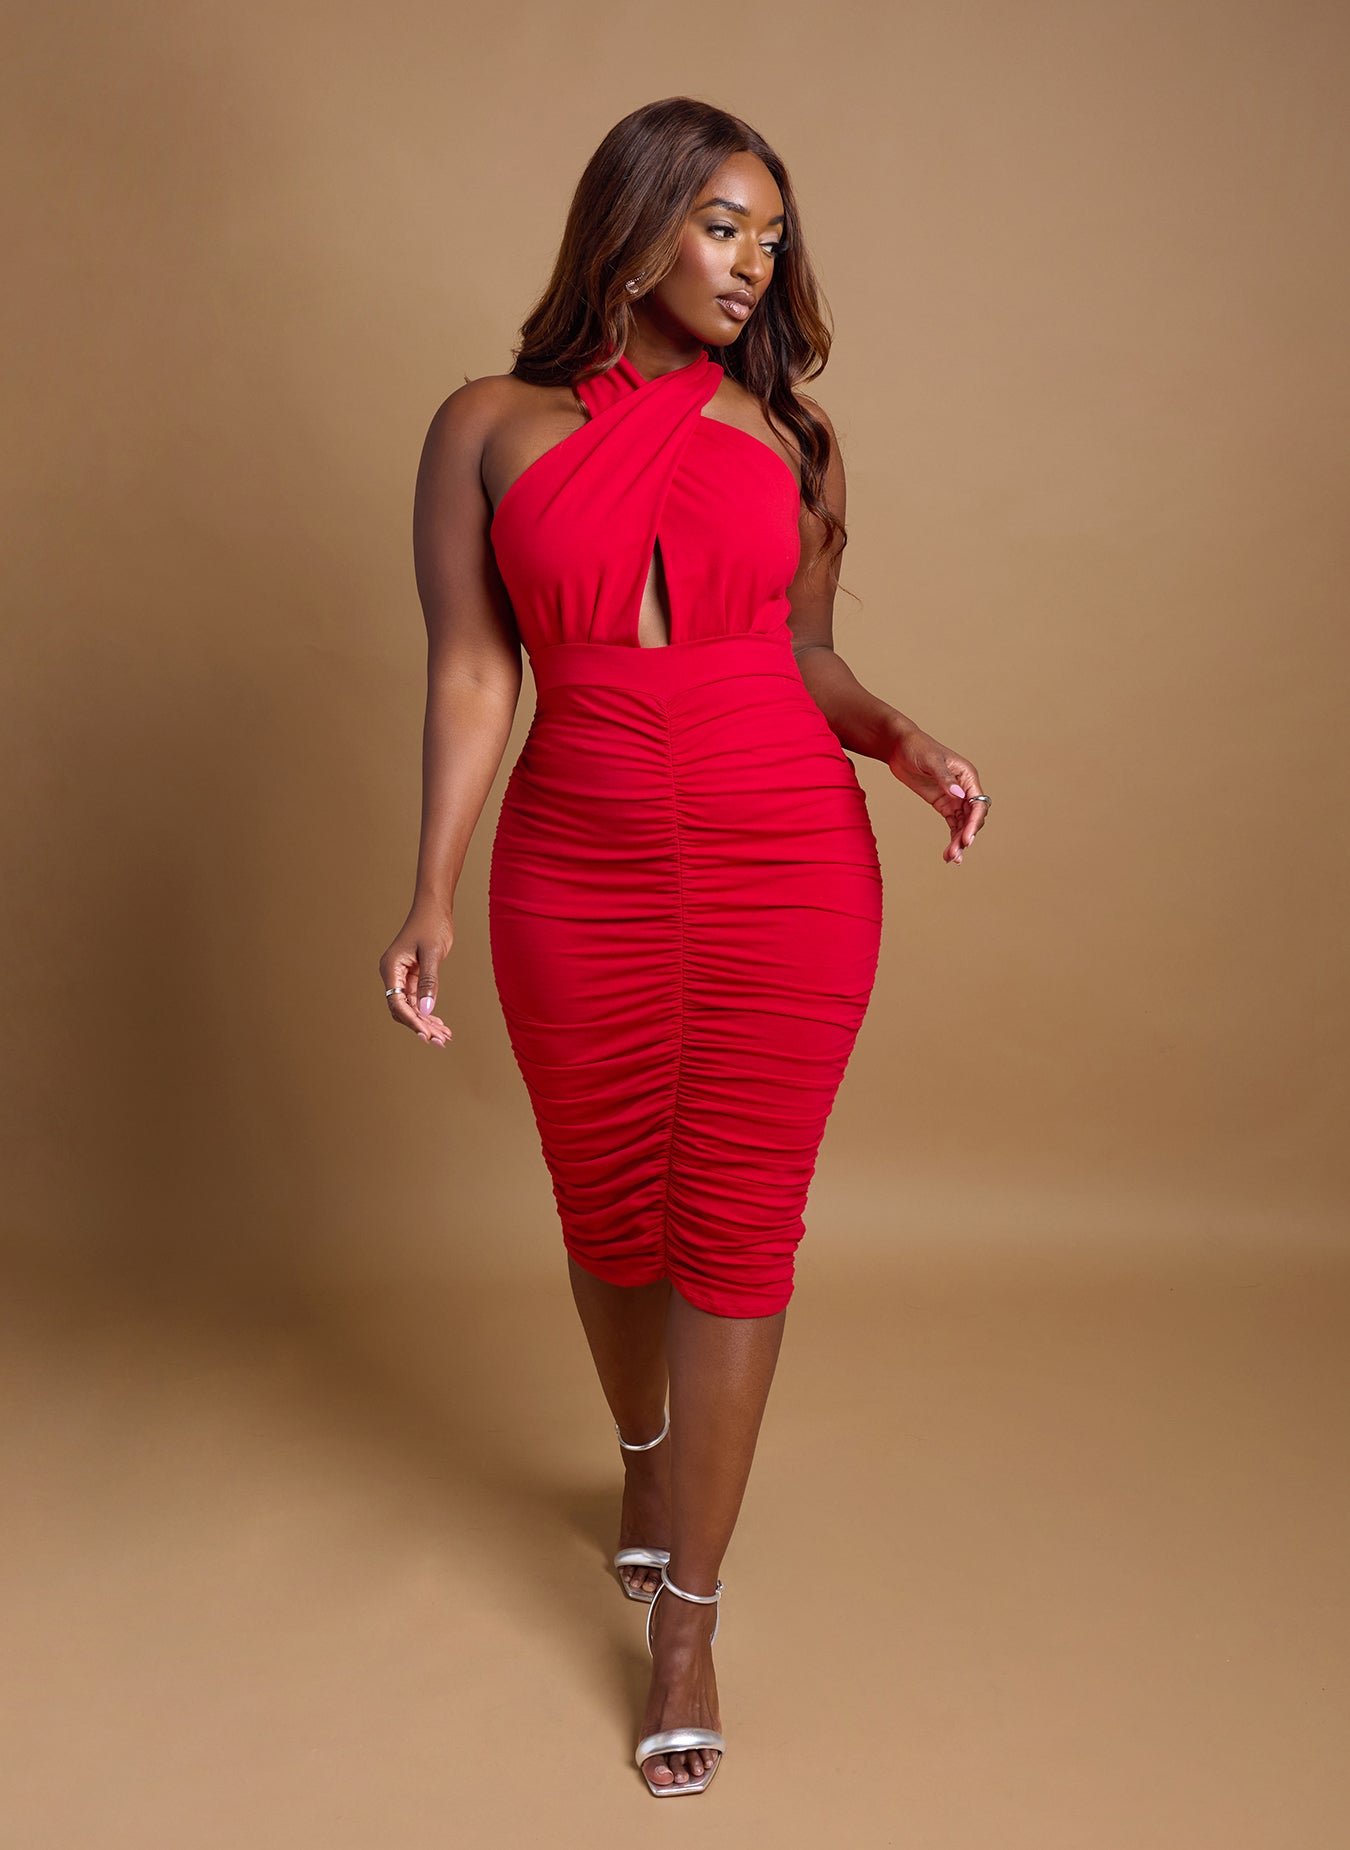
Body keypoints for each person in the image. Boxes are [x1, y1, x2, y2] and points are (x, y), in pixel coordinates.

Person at [378, 96, 990, 1797]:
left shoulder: (790, 436)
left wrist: (901, 737)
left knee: (734, 1215)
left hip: (783, 846)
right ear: (633, 226)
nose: (752, 264)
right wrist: (429, 890)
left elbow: (806, 655)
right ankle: (643, 1455)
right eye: (723, 226)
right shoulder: (485, 426)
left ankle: (688, 1617)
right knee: (603, 1203)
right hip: (573, 857)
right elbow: (472, 670)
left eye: (771, 238)